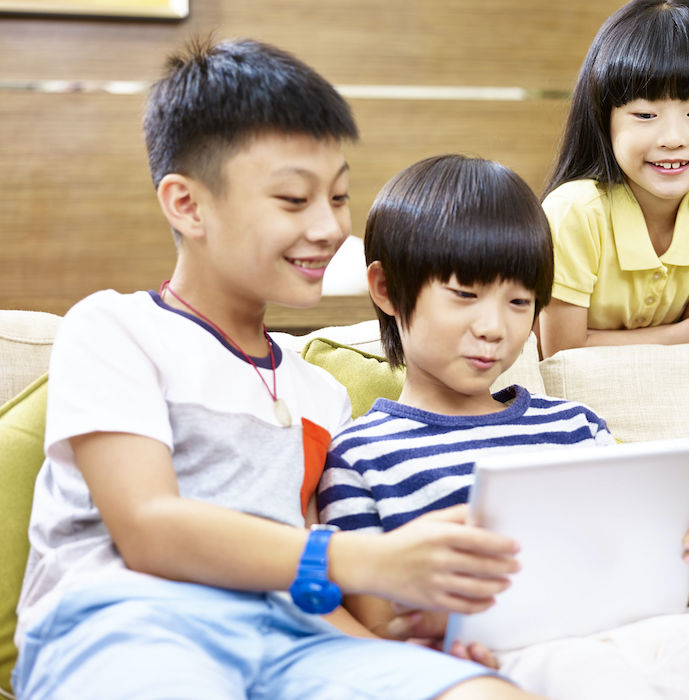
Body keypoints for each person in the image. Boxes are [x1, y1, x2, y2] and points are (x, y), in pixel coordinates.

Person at [12, 38, 546, 700]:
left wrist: (419, 654)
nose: (327, 228)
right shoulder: (117, 329)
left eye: (339, 197)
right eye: (294, 200)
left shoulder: (319, 394)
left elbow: (310, 588)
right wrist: (366, 559)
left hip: (294, 641)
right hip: (130, 623)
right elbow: (149, 527)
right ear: (186, 204)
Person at [318, 154, 689, 699]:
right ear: (388, 289)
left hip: (653, 633)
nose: (493, 328)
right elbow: (377, 628)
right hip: (517, 656)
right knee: (587, 671)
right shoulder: (359, 454)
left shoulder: (576, 428)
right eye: (464, 295)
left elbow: (641, 589)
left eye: (518, 302)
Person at [537, 0, 689, 357]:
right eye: (645, 114)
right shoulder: (574, 212)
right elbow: (560, 353)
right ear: (605, 122)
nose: (672, 138)